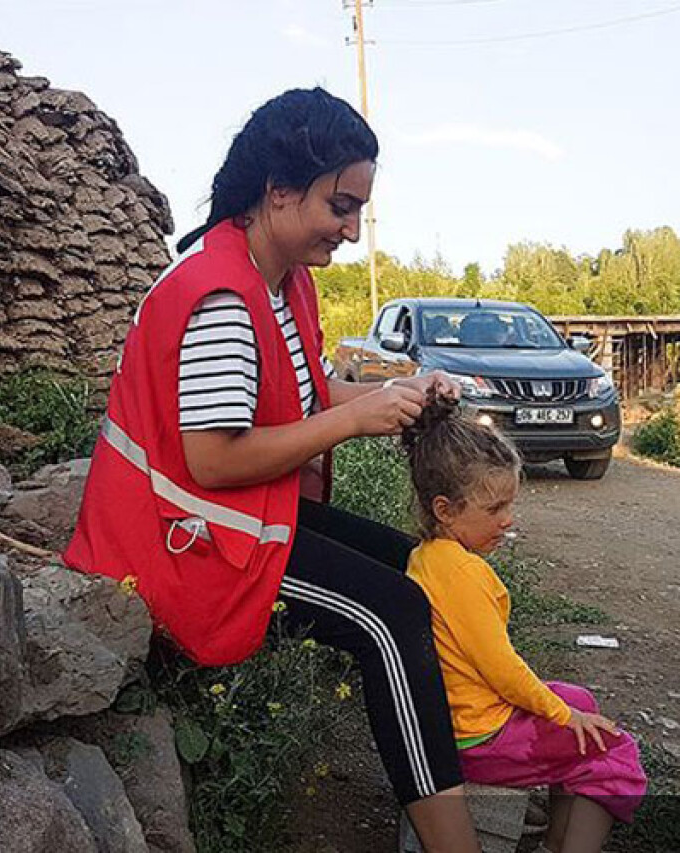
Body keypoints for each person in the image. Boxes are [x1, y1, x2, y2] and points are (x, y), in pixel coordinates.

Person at [63, 88, 482, 850]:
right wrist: (353, 419)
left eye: (359, 209)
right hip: (181, 539)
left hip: (233, 517)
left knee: (424, 569)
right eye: (341, 205)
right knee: (394, 615)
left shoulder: (281, 281)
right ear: (279, 190)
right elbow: (213, 458)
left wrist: (396, 394)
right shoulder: (219, 297)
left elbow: (304, 391)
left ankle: (452, 769)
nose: (352, 230)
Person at [402, 392, 647, 853]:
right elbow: (502, 669)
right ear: (444, 510)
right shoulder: (465, 573)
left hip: (460, 718)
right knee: (612, 748)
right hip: (480, 738)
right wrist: (562, 716)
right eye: (494, 510)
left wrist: (568, 708)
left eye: (509, 506)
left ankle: (555, 835)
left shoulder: (428, 557)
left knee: (580, 699)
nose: (508, 520)